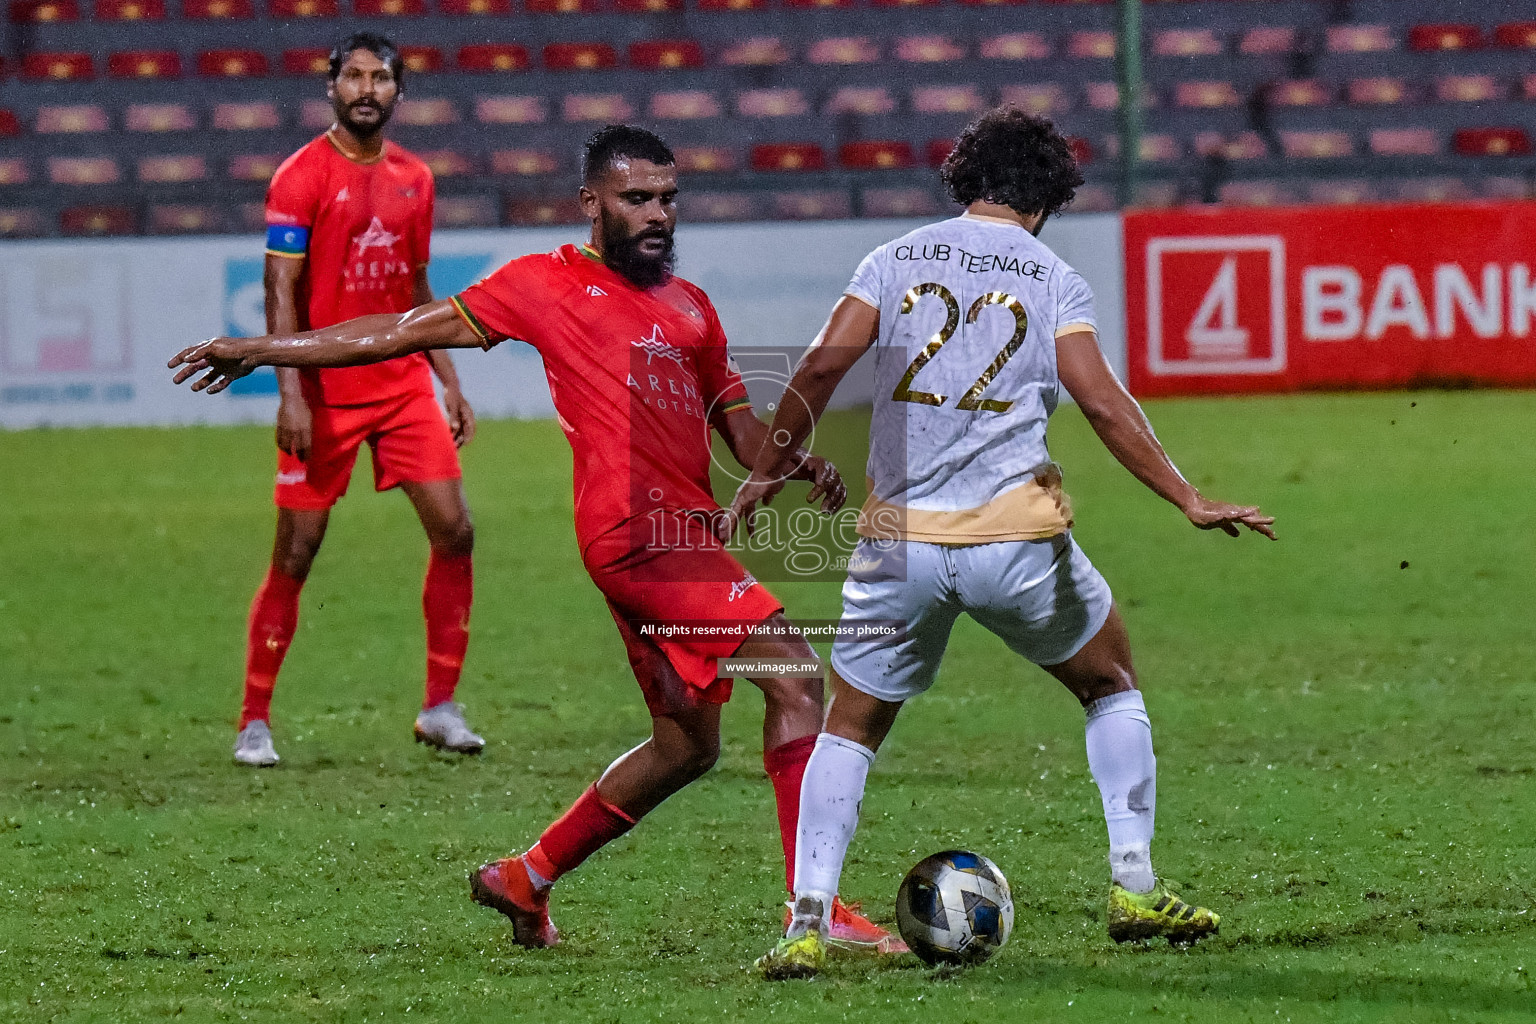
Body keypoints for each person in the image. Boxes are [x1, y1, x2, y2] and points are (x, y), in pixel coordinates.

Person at [170, 125, 903, 953]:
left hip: (678, 535)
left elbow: (739, 435)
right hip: (633, 535)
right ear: (591, 203)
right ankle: (817, 912)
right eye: (636, 199)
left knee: (685, 744)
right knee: (797, 679)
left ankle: (525, 877)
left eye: (667, 198)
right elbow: (397, 330)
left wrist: (796, 463)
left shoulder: (692, 306)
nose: (657, 214)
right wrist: (263, 352)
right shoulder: (540, 285)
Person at [723, 108, 1277, 979]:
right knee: (1109, 683)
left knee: (851, 727)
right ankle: (1133, 885)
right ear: (1049, 197)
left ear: (964, 180)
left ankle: (805, 921)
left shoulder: (892, 259)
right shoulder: (1052, 276)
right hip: (1012, 541)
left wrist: (766, 467)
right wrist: (1187, 495)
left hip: (898, 543)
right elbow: (1099, 400)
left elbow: (822, 368)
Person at [232, 32, 485, 768]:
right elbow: (280, 291)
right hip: (324, 391)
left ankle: (439, 707)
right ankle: (255, 720)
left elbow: (414, 291)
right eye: (354, 76)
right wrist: (289, 394)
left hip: (401, 384)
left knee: (456, 531)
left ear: (398, 93)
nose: (366, 88)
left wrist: (447, 376)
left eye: (380, 78)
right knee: (297, 552)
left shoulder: (416, 177)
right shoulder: (300, 176)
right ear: (332, 87)